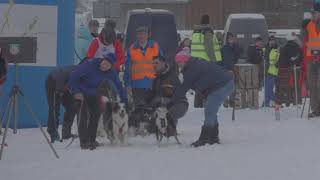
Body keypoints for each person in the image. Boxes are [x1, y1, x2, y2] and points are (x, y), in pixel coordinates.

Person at [171, 49, 234, 148]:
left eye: (180, 62)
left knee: (209, 111)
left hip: (222, 85)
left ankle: (204, 138)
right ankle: (213, 137)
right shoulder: (194, 64)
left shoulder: (192, 69)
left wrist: (171, 101)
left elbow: (184, 88)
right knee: (211, 110)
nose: (178, 64)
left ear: (185, 60)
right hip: (222, 83)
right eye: (177, 62)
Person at [68, 54, 127, 150]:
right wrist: (75, 91)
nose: (105, 66)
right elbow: (73, 75)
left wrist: (124, 98)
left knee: (96, 113)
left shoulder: (110, 72)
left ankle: (92, 139)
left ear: (111, 67)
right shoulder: (90, 64)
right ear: (102, 60)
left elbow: (118, 85)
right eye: (105, 63)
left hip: (93, 92)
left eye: (108, 65)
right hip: (81, 91)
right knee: (83, 115)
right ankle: (84, 142)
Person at [145, 55, 188, 136]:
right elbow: (152, 94)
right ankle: (156, 128)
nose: (154, 65)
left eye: (156, 63)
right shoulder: (156, 78)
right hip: (163, 104)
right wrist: (146, 99)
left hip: (179, 103)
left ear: (163, 63)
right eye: (153, 63)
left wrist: (163, 99)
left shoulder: (173, 75)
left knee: (168, 112)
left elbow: (177, 93)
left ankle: (171, 129)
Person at [124, 26, 161, 110]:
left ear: (148, 35)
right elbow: (127, 69)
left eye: (143, 34)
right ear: (137, 36)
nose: (141, 36)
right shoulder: (132, 48)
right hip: (137, 85)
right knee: (139, 110)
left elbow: (161, 64)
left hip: (153, 84)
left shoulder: (155, 46)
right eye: (139, 34)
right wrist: (128, 84)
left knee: (153, 109)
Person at [45, 65, 77, 143]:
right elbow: (61, 74)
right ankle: (53, 132)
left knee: (72, 106)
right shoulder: (76, 70)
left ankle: (66, 133)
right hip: (53, 81)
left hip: (65, 85)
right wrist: (59, 91)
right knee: (55, 107)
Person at [302, 9, 320, 118]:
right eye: (312, 13)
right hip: (310, 60)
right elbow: (305, 43)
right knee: (312, 86)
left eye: (315, 13)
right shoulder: (308, 25)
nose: (313, 15)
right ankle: (316, 109)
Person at [277, 35, 302, 106]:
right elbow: (300, 57)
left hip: (285, 69)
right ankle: (297, 101)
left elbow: (281, 59)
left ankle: (287, 101)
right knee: (296, 85)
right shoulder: (298, 47)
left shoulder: (283, 48)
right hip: (296, 68)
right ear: (294, 40)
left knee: (287, 86)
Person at [221, 33, 240, 107]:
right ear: (227, 40)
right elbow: (223, 60)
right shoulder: (224, 48)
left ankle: (232, 101)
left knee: (233, 86)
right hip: (226, 69)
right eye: (230, 39)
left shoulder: (236, 47)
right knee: (226, 86)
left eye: (232, 38)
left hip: (234, 68)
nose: (231, 40)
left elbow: (237, 56)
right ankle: (225, 102)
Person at [263, 36, 280, 107]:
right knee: (267, 88)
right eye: (271, 40)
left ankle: (275, 102)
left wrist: (275, 63)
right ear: (268, 41)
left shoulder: (277, 49)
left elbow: (278, 59)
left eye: (273, 40)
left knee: (269, 88)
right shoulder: (265, 49)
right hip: (266, 71)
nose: (272, 42)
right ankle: (266, 103)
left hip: (273, 71)